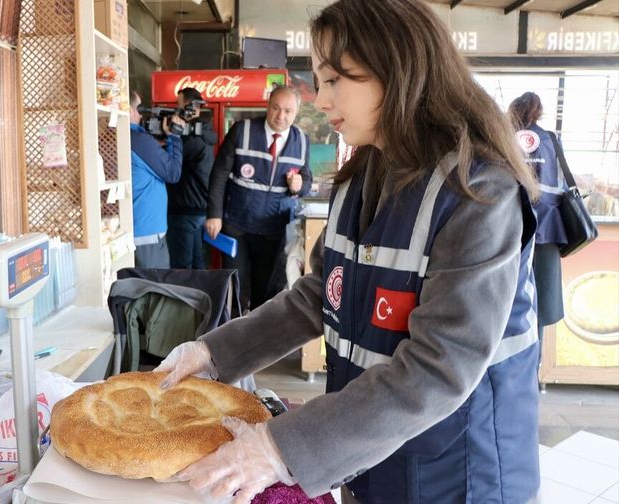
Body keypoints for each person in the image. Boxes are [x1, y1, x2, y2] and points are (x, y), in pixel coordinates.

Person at [154, 1, 542, 503]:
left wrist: (278, 448)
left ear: (398, 69)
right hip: (368, 456)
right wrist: (215, 353)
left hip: (460, 471)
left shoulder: (478, 193)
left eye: (336, 80)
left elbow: (440, 366)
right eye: (318, 81)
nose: (319, 99)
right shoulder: (362, 176)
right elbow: (320, 295)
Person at [206, 85, 312, 310]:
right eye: (275, 108)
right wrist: (214, 214)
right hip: (237, 225)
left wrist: (299, 186)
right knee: (236, 284)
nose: (280, 116)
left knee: (265, 289)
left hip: (273, 229)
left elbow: (307, 180)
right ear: (267, 105)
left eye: (288, 111)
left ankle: (254, 337)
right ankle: (231, 334)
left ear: (296, 113)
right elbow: (219, 174)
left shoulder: (302, 141)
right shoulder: (241, 130)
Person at [508, 92, 567, 368]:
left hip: (513, 232)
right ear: (539, 112)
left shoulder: (506, 139)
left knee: (509, 303)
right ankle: (535, 371)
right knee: (539, 307)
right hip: (548, 232)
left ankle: (511, 370)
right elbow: (563, 185)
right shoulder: (551, 140)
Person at [129, 90, 185, 268]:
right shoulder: (139, 140)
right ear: (128, 110)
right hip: (147, 233)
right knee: (155, 288)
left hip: (130, 229)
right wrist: (174, 137)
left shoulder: (112, 136)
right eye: (138, 109)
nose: (140, 115)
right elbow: (173, 173)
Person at [166, 87, 218, 269]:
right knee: (197, 264)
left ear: (191, 107)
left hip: (184, 209)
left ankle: (184, 298)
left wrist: (172, 135)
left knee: (182, 268)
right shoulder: (204, 133)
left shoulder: (191, 138)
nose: (176, 109)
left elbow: (167, 163)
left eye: (179, 105)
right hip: (198, 210)